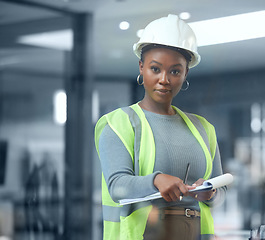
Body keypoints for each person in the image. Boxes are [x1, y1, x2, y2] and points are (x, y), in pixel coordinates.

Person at [94, 14, 226, 240]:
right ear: (141, 67)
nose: (164, 79)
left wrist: (211, 192)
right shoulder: (119, 123)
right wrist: (155, 180)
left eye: (175, 71)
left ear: (185, 74)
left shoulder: (204, 128)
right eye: (155, 69)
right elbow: (117, 187)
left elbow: (220, 191)